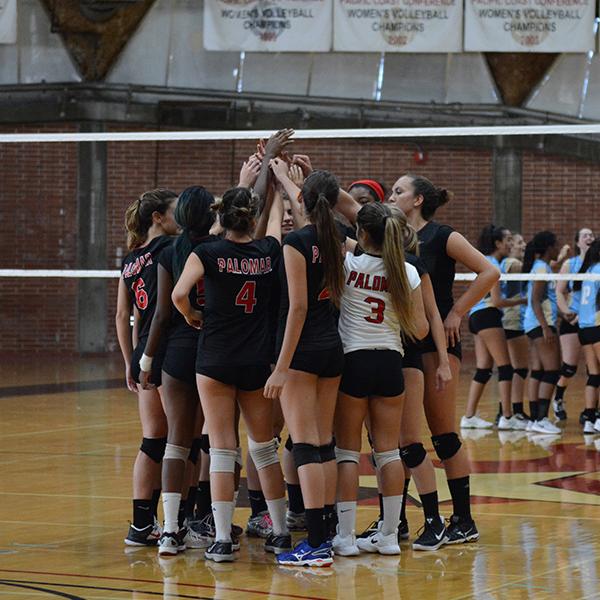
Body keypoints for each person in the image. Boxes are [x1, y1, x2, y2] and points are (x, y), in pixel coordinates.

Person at [172, 186, 289, 563]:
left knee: (222, 450)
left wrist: (192, 315)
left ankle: (222, 539)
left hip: (215, 359)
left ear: (221, 218)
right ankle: (282, 532)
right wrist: (279, 184)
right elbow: (275, 224)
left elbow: (178, 295)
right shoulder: (268, 251)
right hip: (255, 361)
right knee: (263, 448)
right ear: (250, 218)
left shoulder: (206, 251)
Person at [387, 174, 499, 544]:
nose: (392, 195)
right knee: (401, 437)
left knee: (443, 434)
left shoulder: (441, 235)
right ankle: (397, 520)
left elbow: (489, 271)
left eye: (399, 191)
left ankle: (463, 519)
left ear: (418, 200)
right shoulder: (391, 236)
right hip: (402, 344)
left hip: (438, 344)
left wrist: (457, 313)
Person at [333, 202, 429, 557]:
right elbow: (420, 329)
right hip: (390, 362)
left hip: (353, 361)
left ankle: (345, 537)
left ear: (361, 234)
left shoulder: (348, 265)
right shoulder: (407, 271)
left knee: (346, 452)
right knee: (388, 451)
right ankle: (388, 535)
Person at [264, 166, 345, 567]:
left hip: (302, 352)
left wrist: (281, 366)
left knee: (306, 446)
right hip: (332, 346)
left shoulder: (295, 242)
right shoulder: (338, 237)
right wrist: (293, 182)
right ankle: (326, 532)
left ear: (302, 202)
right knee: (323, 443)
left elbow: (296, 307)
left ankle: (315, 544)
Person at [138, 186, 217, 556]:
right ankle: (210, 525)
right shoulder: (217, 248)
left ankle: (170, 531)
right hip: (215, 351)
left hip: (177, 354)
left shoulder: (169, 252)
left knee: (176, 441)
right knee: (216, 442)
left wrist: (147, 359)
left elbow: (162, 313)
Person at [116, 189, 179, 546]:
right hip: (167, 350)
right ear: (157, 217)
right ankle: (180, 520)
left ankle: (141, 525)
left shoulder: (130, 260)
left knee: (152, 440)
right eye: (174, 212)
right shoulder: (169, 249)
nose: (180, 219)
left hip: (143, 353)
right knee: (179, 440)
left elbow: (125, 316)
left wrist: (131, 361)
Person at [462, 225, 527, 431]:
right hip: (488, 315)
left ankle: (469, 416)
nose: (510, 244)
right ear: (498, 243)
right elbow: (497, 301)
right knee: (506, 367)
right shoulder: (491, 264)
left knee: (484, 368)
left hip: (476, 316)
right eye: (507, 240)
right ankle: (507, 417)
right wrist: (522, 300)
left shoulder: (485, 261)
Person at [523, 231, 562, 435]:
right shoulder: (541, 267)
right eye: (556, 245)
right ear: (549, 248)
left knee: (538, 371)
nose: (558, 248)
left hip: (535, 323)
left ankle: (534, 420)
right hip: (540, 324)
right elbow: (535, 299)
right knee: (553, 370)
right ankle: (541, 418)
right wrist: (546, 327)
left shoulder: (542, 266)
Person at [554, 228, 595, 420]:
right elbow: (559, 291)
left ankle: (591, 411)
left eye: (591, 235)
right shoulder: (570, 264)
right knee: (569, 367)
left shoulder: (596, 265)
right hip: (573, 320)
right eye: (585, 235)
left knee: (594, 369)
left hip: (592, 321)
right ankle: (558, 398)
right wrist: (566, 312)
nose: (589, 237)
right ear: (577, 242)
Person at [500, 233, 531, 421]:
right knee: (520, 367)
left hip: (510, 319)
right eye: (520, 242)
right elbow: (528, 270)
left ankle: (505, 410)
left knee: (512, 368)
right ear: (510, 246)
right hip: (512, 319)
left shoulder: (507, 262)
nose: (524, 245)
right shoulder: (512, 263)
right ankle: (516, 410)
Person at [573, 239, 600, 433]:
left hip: (584, 328)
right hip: (597, 326)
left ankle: (590, 420)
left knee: (594, 375)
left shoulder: (588, 271)